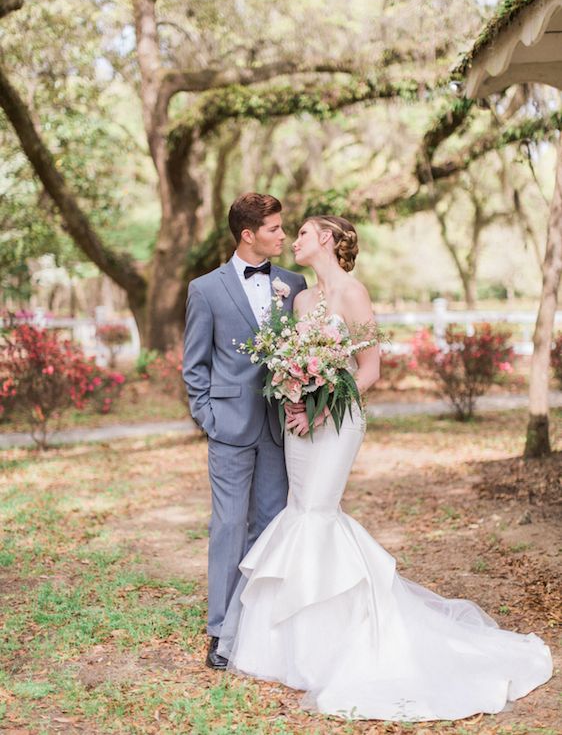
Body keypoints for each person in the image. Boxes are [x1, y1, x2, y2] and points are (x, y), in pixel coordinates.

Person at [218, 215, 553, 721]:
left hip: (338, 419)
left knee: (318, 514)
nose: (295, 241)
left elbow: (370, 367)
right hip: (298, 423)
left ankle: (350, 636)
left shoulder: (354, 294)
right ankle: (289, 642)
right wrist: (293, 393)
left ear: (326, 239)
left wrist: (323, 404)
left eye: (303, 233)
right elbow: (289, 359)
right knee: (298, 509)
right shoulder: (302, 299)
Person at [183, 192, 307, 670]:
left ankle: (256, 623)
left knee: (271, 524)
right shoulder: (205, 288)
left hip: (281, 427)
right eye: (275, 229)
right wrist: (208, 417)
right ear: (248, 234)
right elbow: (194, 364)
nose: (283, 235)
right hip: (229, 426)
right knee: (229, 526)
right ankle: (219, 631)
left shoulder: (294, 284)